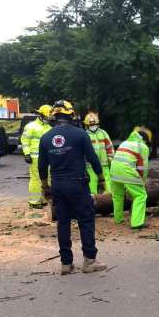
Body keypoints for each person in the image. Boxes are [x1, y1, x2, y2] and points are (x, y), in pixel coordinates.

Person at [38, 100, 106, 275]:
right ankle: (89, 261)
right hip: (78, 184)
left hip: (58, 186)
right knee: (86, 220)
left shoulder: (46, 138)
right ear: (71, 114)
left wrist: (45, 187)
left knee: (63, 223)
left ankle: (66, 263)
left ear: (54, 116)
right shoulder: (80, 134)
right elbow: (93, 158)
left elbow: (41, 166)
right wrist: (101, 179)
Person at [110, 127, 152, 229]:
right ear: (145, 140)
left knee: (117, 196)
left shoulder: (125, 142)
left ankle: (118, 219)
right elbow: (143, 167)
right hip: (126, 170)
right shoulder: (143, 146)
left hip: (113, 170)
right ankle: (137, 223)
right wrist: (142, 182)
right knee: (141, 195)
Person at [21, 105, 52, 208]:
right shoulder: (31, 126)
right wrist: (27, 154)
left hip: (48, 158)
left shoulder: (49, 128)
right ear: (41, 115)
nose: (48, 119)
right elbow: (25, 141)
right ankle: (34, 201)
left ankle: (44, 199)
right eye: (47, 117)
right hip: (34, 158)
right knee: (36, 179)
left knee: (47, 178)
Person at [83, 112, 114, 195]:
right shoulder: (85, 135)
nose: (93, 126)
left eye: (94, 124)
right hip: (90, 165)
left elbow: (109, 146)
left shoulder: (103, 133)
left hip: (104, 163)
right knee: (92, 181)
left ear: (97, 124)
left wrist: (110, 156)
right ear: (86, 125)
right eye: (90, 125)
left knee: (107, 180)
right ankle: (93, 198)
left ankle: (109, 196)